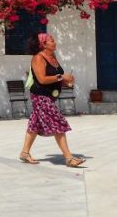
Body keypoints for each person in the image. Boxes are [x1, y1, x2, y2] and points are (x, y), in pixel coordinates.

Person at [19, 33, 85, 168]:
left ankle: (24, 153)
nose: (55, 42)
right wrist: (62, 77)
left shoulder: (52, 57)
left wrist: (66, 82)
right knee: (58, 122)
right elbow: (42, 79)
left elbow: (55, 77)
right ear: (43, 44)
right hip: (40, 96)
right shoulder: (38, 58)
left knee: (35, 124)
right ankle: (69, 158)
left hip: (49, 95)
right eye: (51, 41)